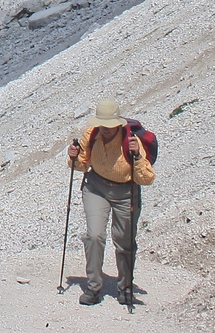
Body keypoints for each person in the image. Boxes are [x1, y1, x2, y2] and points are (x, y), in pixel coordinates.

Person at [66, 99, 154, 307]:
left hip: (126, 192)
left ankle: (125, 288)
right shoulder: (91, 134)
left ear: (118, 124)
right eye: (102, 124)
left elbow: (147, 178)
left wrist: (138, 156)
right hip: (96, 187)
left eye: (109, 125)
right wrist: (74, 157)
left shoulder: (132, 142)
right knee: (94, 235)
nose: (105, 129)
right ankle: (93, 287)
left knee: (124, 241)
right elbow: (81, 164)